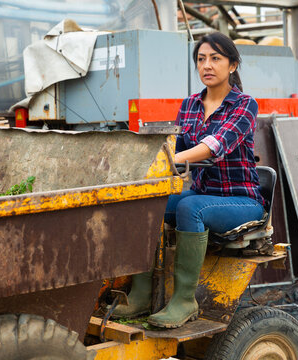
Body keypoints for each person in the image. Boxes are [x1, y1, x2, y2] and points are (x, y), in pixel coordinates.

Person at [113, 32, 265, 329]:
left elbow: (215, 145)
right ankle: (143, 292)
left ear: (233, 65)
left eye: (215, 58)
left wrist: (173, 159)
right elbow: (177, 146)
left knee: (190, 207)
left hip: (241, 201)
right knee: (149, 202)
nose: (207, 65)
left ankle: (184, 301)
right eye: (201, 59)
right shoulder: (190, 105)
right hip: (203, 195)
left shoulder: (245, 105)